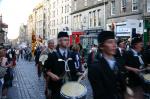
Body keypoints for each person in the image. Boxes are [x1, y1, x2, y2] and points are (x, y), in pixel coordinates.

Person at [88, 31, 127, 99]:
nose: (114, 45)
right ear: (101, 46)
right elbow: (99, 93)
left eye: (115, 42)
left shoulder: (119, 63)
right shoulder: (95, 68)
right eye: (110, 42)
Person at [45, 32, 78, 99]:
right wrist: (52, 75)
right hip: (57, 88)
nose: (67, 42)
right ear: (59, 42)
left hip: (70, 88)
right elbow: (46, 69)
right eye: (65, 40)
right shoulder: (52, 55)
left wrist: (79, 73)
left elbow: (73, 70)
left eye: (68, 40)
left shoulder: (71, 54)